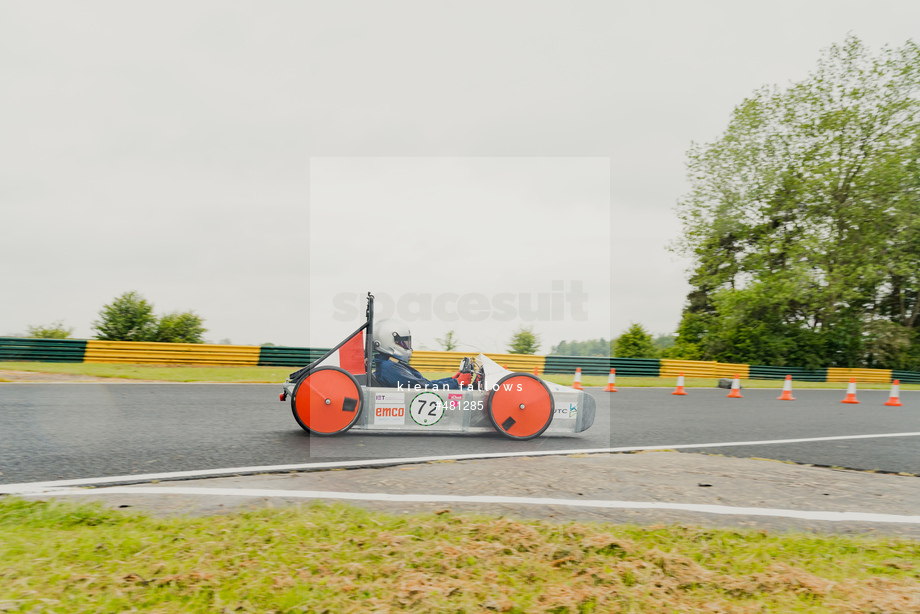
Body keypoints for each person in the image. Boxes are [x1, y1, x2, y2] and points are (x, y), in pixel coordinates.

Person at [373, 319, 472, 389]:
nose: (406, 346)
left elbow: (425, 383)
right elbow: (425, 388)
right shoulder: (390, 368)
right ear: (387, 341)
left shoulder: (388, 365)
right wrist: (457, 383)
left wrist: (452, 379)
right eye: (402, 342)